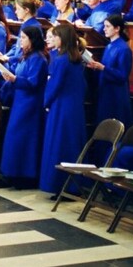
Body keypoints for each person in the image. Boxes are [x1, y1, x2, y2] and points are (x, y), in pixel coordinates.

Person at [40, 24, 87, 196]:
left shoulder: (60, 60)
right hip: (74, 107)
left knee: (58, 144)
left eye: (56, 36)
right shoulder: (75, 58)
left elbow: (54, 85)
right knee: (72, 144)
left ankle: (57, 184)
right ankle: (73, 185)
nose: (54, 39)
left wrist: (46, 102)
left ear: (63, 38)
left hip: (60, 107)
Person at [0, 26, 49, 188]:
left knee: (25, 138)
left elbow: (33, 82)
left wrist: (14, 80)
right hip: (20, 101)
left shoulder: (38, 58)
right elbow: (14, 70)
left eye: (24, 38)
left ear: (32, 40)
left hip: (30, 104)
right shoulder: (25, 56)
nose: (20, 41)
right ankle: (12, 173)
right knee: (14, 137)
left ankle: (25, 175)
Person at [86, 15, 133, 127]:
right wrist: (95, 67)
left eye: (107, 26)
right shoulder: (109, 46)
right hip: (106, 89)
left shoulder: (124, 49)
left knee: (113, 124)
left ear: (117, 29)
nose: (104, 29)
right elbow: (105, 68)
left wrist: (103, 68)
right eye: (104, 26)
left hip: (116, 93)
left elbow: (123, 75)